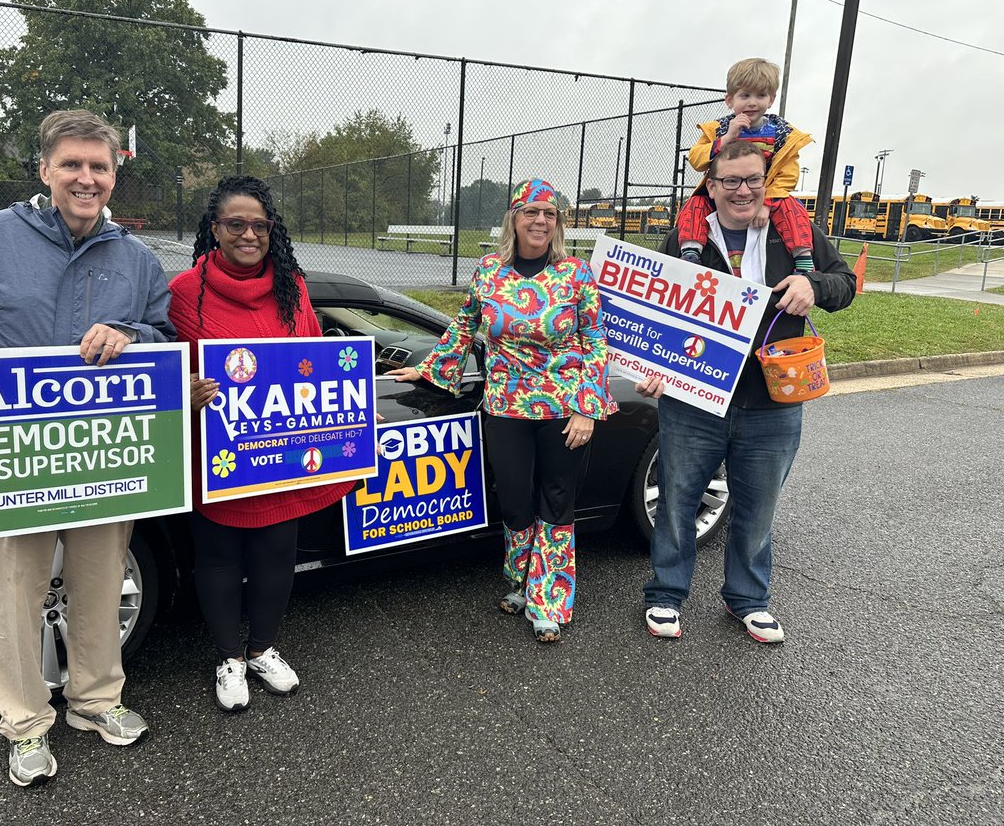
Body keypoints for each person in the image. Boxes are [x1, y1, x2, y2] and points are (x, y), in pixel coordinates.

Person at [0, 110, 174, 787]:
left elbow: (161, 335)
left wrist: (132, 339)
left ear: (116, 174)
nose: (86, 178)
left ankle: (95, 701)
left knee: (98, 584)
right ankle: (25, 725)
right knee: (14, 594)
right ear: (44, 171)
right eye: (73, 165)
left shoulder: (138, 259)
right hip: (13, 458)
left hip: (102, 456)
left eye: (100, 167)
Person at [640, 142, 855, 643]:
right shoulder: (687, 237)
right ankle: (666, 594)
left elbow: (844, 284)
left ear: (767, 180)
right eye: (730, 181)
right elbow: (654, 312)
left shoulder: (791, 232)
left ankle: (748, 600)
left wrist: (814, 287)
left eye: (752, 180)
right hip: (693, 401)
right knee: (677, 502)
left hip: (771, 404)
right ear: (711, 186)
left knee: (758, 508)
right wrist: (649, 365)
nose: (742, 190)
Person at [389, 178, 617, 643]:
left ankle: (548, 598)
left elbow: (595, 341)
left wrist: (586, 407)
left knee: (555, 499)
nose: (540, 220)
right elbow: (466, 324)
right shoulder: (489, 270)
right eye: (531, 211)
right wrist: (426, 368)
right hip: (505, 405)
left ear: (558, 224)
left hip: (562, 405)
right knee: (513, 498)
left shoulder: (575, 274)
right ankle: (520, 580)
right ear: (514, 219)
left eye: (549, 214)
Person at [168, 175, 354, 712]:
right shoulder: (184, 293)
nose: (249, 234)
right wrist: (186, 390)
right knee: (219, 557)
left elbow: (313, 360)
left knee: (278, 556)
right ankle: (228, 657)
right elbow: (164, 369)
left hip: (282, 452)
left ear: (272, 230)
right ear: (215, 229)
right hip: (220, 454)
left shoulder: (293, 286)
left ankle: (262, 649)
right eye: (235, 224)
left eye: (259, 225)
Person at [676, 58, 816, 273]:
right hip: (724, 198)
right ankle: (691, 252)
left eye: (760, 95)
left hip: (766, 195)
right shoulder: (718, 129)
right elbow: (695, 159)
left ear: (771, 100)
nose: (752, 102)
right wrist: (725, 139)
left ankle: (804, 259)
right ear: (729, 100)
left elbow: (788, 175)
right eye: (745, 95)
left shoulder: (783, 135)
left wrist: (766, 202)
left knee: (792, 207)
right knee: (694, 204)